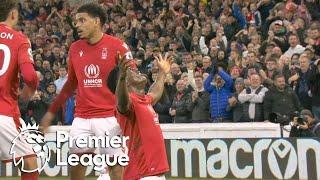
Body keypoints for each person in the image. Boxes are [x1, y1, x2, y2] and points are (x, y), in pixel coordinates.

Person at [40, 3, 133, 180]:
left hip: (110, 117)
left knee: (115, 167)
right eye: (76, 21)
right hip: (81, 118)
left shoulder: (118, 47)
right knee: (76, 167)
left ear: (97, 21)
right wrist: (51, 112)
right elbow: (70, 84)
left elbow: (134, 81)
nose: (77, 25)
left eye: (82, 20)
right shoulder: (75, 48)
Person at [0, 0, 39, 179]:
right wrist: (26, 94)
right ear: (13, 14)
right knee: (29, 162)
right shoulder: (19, 39)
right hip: (4, 111)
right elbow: (30, 77)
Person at [116, 53, 170, 180]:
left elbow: (155, 93)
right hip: (142, 172)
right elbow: (122, 104)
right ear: (127, 82)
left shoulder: (144, 100)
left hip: (153, 172)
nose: (137, 71)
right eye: (133, 71)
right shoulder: (129, 102)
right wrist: (122, 78)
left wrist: (162, 73)